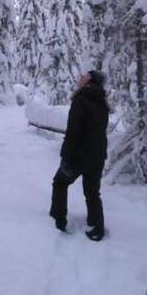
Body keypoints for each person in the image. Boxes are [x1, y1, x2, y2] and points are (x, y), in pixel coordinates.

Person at [49, 70, 109, 241]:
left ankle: (58, 220)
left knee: (60, 182)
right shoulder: (102, 102)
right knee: (92, 192)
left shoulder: (80, 100)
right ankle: (97, 229)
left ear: (89, 80)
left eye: (84, 75)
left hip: (80, 155)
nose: (80, 77)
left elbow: (73, 132)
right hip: (98, 155)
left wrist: (66, 157)